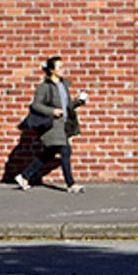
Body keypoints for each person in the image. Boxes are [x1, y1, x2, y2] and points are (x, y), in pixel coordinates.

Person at [14, 55, 88, 192]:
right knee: (65, 151)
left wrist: (78, 102)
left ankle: (24, 176)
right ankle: (71, 184)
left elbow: (66, 106)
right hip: (52, 126)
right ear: (52, 70)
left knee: (48, 153)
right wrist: (52, 111)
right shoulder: (44, 87)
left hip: (63, 125)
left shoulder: (63, 85)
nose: (63, 70)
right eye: (60, 67)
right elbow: (35, 105)